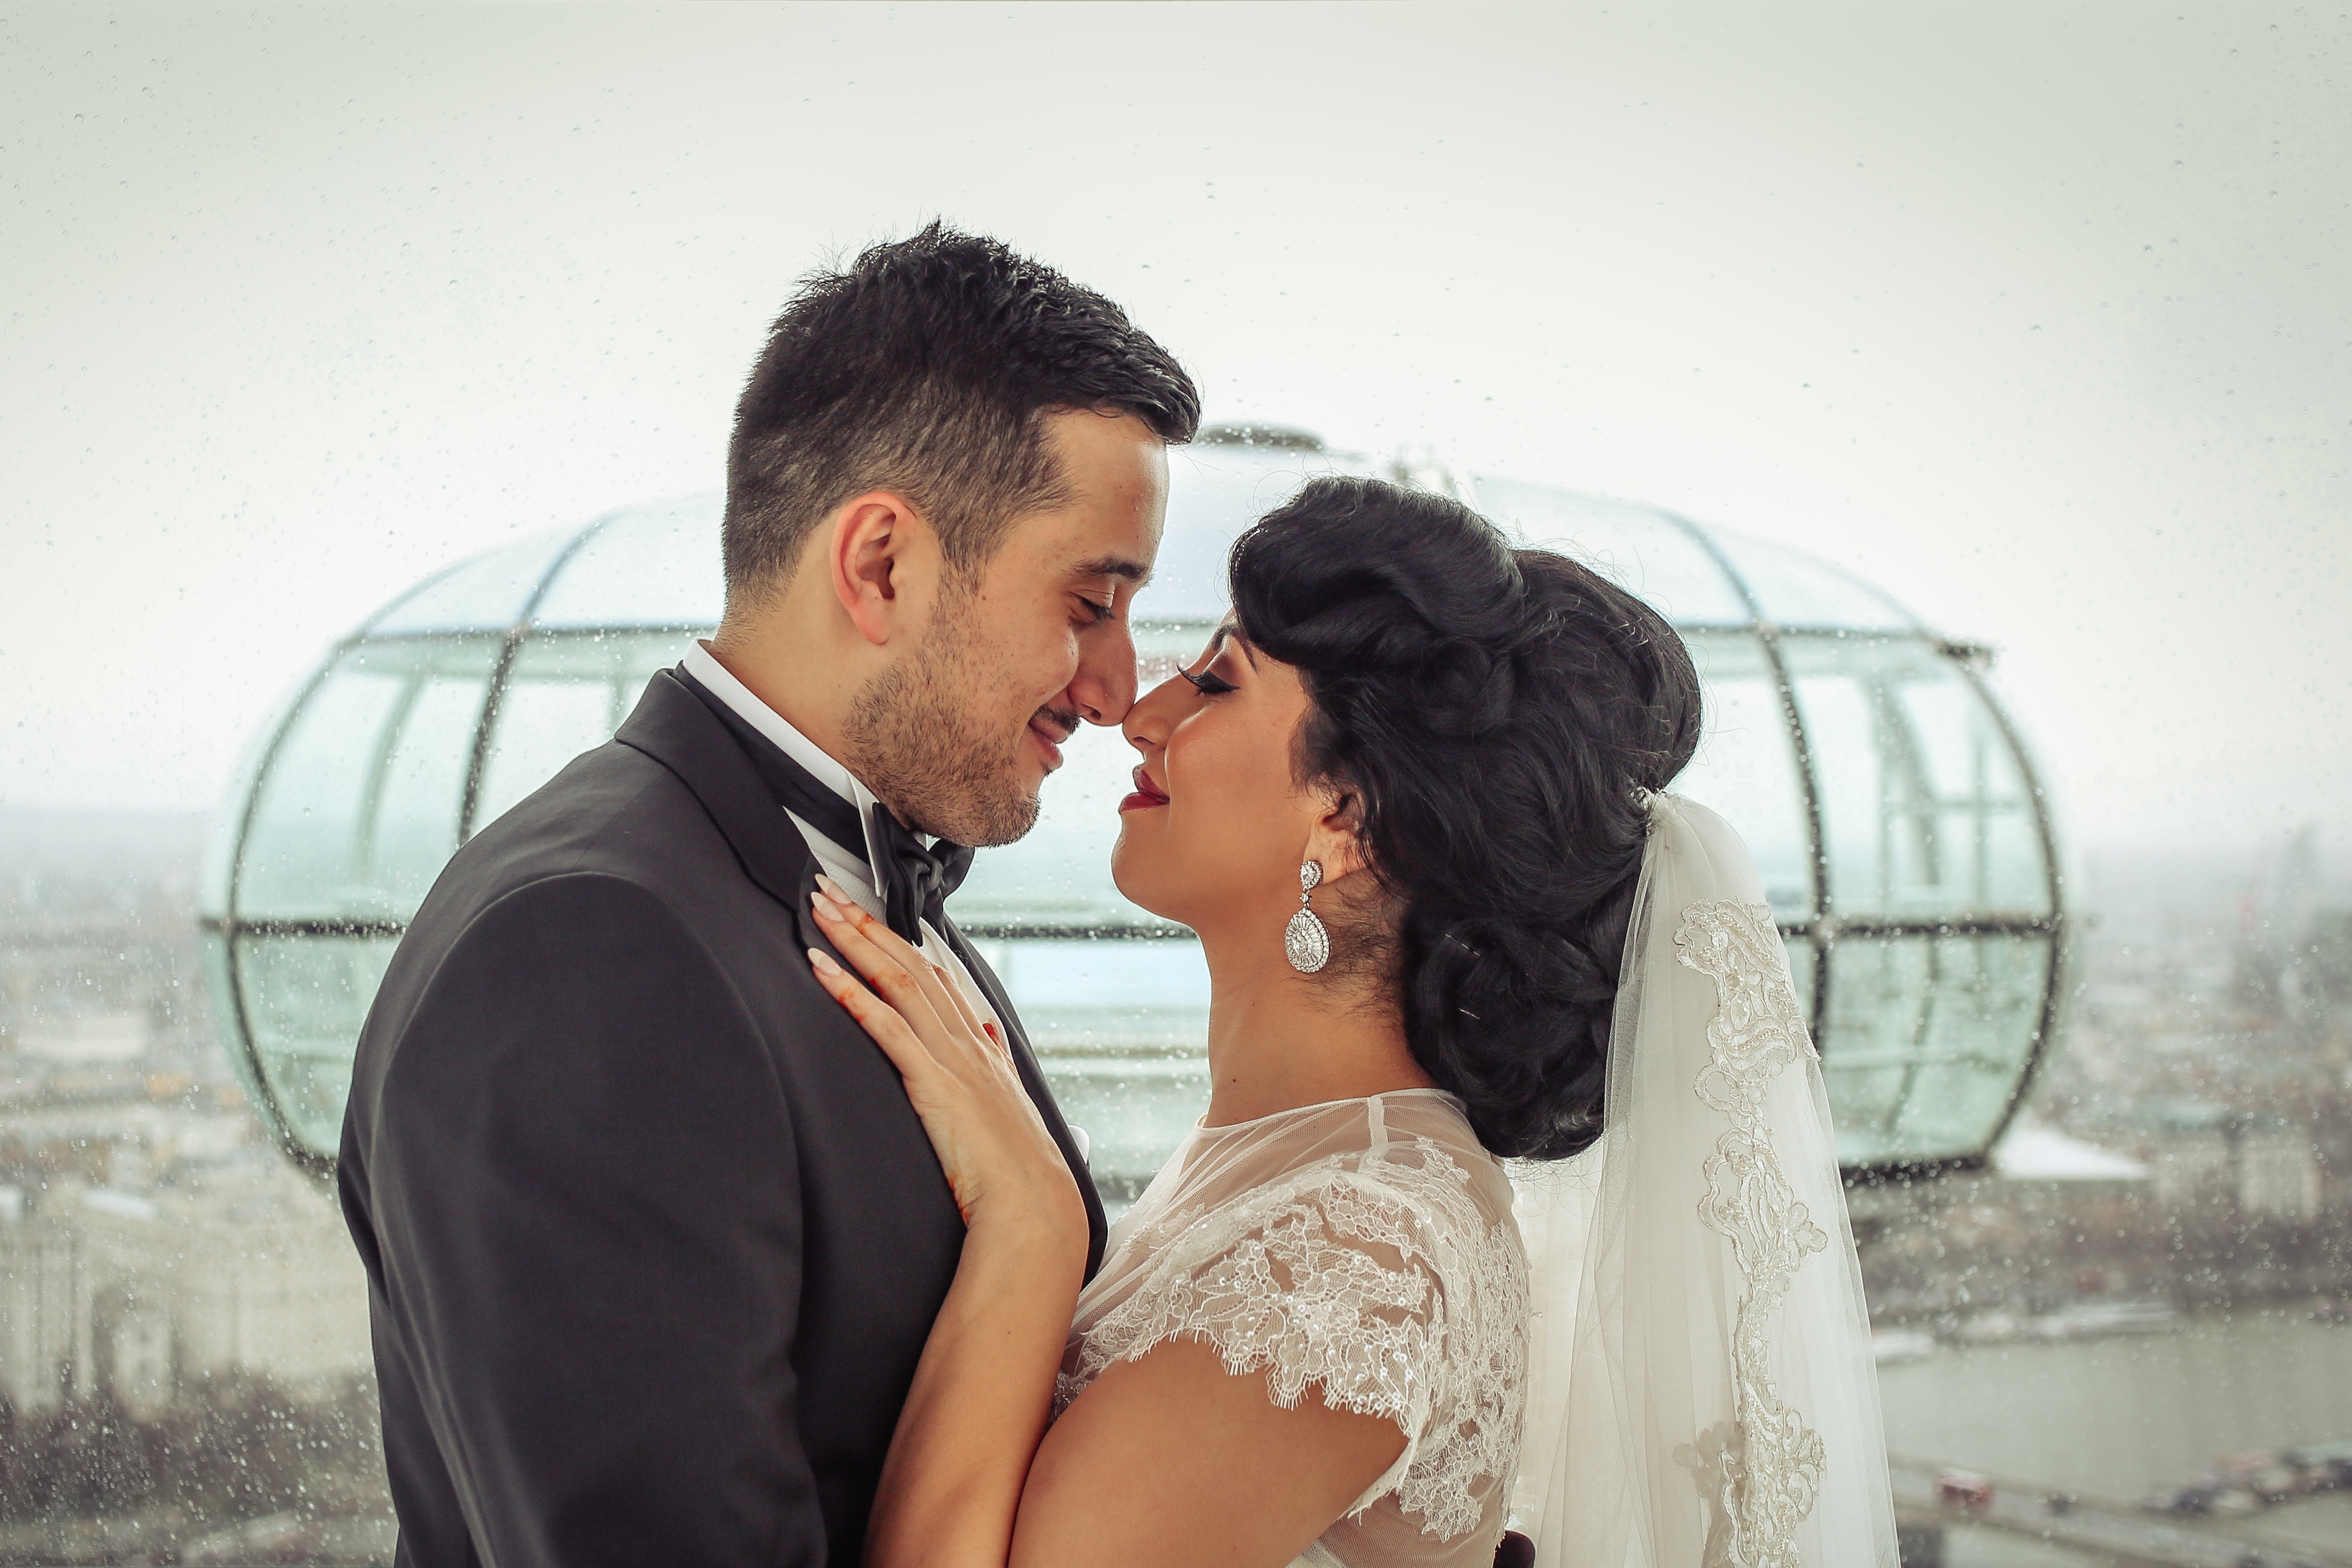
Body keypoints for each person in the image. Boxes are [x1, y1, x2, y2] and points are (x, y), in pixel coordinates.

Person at [809, 475, 1899, 1567]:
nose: (1142, 713)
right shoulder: (1294, 1164)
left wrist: (1030, 1225)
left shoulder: (1356, 1254)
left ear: (1347, 817)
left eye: (1217, 682)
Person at [336, 223, 1198, 1566]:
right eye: (1088, 602)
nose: (1113, 686)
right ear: (879, 566)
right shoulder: (585, 952)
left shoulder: (849, 880)